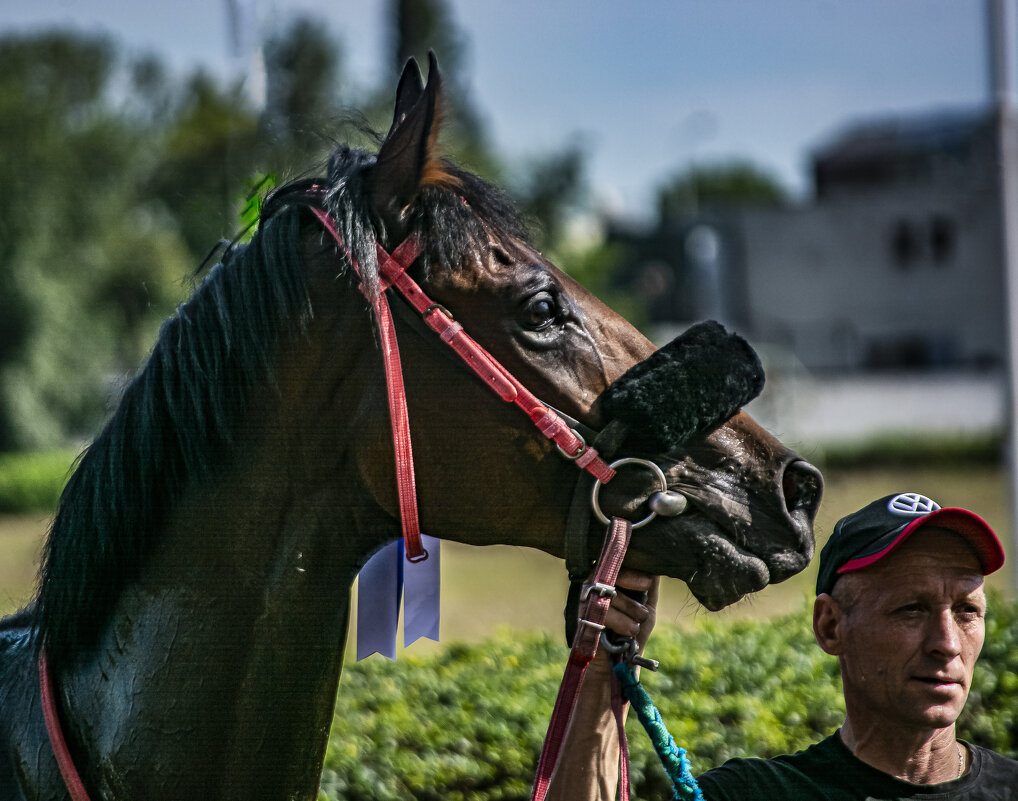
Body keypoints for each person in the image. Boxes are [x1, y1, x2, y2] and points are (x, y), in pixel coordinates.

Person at [547, 492, 1018, 800]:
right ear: (831, 627)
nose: (947, 643)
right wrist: (603, 671)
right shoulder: (753, 795)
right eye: (910, 610)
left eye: (966, 611)